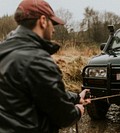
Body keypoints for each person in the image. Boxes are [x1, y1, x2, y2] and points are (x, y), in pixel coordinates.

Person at [0, 0, 90, 133]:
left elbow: (43, 91)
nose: (53, 29)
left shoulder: (4, 51)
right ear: (42, 21)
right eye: (52, 23)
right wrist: (77, 111)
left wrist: (76, 97)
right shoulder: (38, 60)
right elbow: (63, 116)